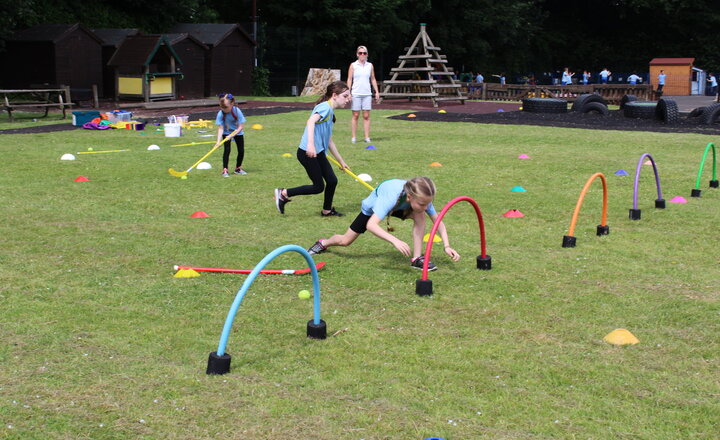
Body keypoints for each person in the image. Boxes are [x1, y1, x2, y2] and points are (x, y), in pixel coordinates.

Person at [306, 177, 460, 271]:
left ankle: (417, 259)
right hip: (373, 210)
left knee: (421, 216)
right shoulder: (391, 197)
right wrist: (395, 240)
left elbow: (438, 221)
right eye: (423, 204)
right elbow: (371, 225)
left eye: (428, 204)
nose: (427, 207)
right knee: (345, 241)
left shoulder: (422, 199)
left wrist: (447, 245)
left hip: (403, 207)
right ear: (410, 196)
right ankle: (323, 243)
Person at [274, 81, 352, 217]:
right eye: (345, 96)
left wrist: (341, 161)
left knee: (332, 181)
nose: (348, 99)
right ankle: (284, 193)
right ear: (334, 95)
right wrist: (310, 145)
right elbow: (310, 122)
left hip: (319, 152)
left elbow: (329, 140)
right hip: (307, 153)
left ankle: (327, 211)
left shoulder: (330, 113)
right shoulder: (325, 108)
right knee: (318, 187)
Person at [347, 45, 380, 144]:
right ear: (357, 54)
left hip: (367, 93)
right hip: (356, 93)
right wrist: (348, 92)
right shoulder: (353, 65)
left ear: (367, 55)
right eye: (360, 53)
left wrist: (376, 91)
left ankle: (367, 137)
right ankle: (354, 137)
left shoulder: (370, 65)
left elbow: (373, 79)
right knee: (355, 115)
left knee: (366, 115)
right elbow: (349, 79)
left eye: (364, 53)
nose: (362, 55)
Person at [215, 93, 247, 177]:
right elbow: (221, 128)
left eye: (226, 107)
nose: (224, 109)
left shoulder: (237, 111)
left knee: (241, 150)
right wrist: (218, 141)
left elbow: (241, 126)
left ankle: (238, 168)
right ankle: (225, 170)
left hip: (238, 132)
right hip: (226, 132)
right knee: (227, 150)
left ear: (232, 104)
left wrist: (232, 135)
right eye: (222, 107)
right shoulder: (221, 113)